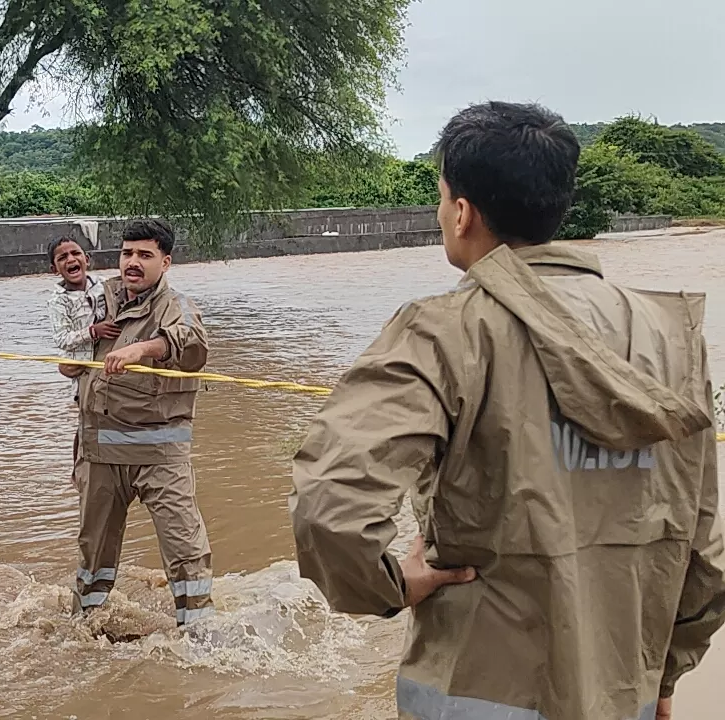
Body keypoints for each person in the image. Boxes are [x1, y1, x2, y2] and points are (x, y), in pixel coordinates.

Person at [289, 102, 725, 720]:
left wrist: (390, 585)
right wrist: (665, 672)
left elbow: (329, 507)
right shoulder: (668, 334)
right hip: (622, 687)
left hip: (471, 690)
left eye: (442, 198)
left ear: (462, 212)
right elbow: (705, 546)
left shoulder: (441, 331)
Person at [62, 218, 215, 628]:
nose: (133, 262)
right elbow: (67, 360)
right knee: (93, 549)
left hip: (159, 451)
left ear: (165, 262)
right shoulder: (98, 302)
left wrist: (142, 349)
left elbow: (191, 344)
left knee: (184, 545)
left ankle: (200, 632)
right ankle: (85, 627)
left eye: (145, 255)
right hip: (98, 449)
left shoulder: (177, 306)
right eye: (128, 253)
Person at [46, 236, 115, 492]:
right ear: (55, 269)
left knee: (108, 417)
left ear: (86, 259)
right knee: (85, 420)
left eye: (75, 253)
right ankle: (78, 471)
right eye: (62, 257)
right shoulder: (58, 300)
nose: (70, 259)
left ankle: (108, 467)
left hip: (108, 363)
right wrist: (93, 331)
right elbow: (62, 339)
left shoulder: (104, 286)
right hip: (82, 370)